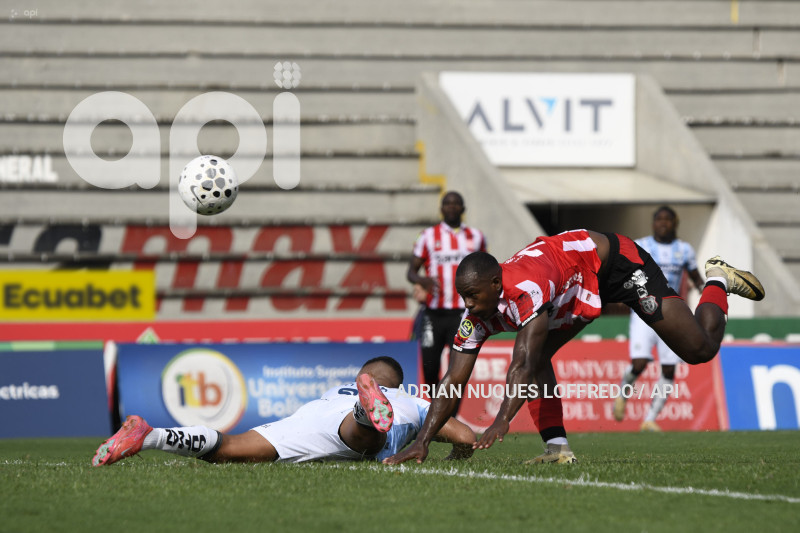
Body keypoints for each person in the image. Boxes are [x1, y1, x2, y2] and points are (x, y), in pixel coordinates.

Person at [384, 229, 764, 466]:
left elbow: (522, 363)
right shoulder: (479, 311)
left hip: (615, 265)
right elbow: (453, 379)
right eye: (462, 296)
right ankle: (558, 449)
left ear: (496, 285)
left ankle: (717, 277)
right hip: (572, 282)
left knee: (699, 350)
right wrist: (422, 442)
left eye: (471, 296)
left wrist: (502, 419)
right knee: (539, 358)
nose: (466, 305)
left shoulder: (526, 291)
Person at [93, 356, 475, 466]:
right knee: (365, 439)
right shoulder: (417, 400)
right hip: (351, 422)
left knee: (227, 448)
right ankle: (365, 415)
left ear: (363, 376)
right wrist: (455, 454)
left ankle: (151, 434)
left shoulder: (333, 388)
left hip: (308, 418)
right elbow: (466, 436)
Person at [614, 206, 705, 431]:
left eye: (668, 220)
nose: (663, 223)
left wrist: (710, 297)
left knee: (669, 368)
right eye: (659, 219)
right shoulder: (641, 245)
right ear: (653, 223)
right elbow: (623, 271)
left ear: (675, 223)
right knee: (639, 363)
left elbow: (696, 277)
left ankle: (650, 418)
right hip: (643, 312)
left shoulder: (684, 250)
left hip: (672, 316)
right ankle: (622, 394)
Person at [407, 191, 487, 399]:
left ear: (463, 209)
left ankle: (452, 419)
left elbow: (487, 269)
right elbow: (411, 272)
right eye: (447, 204)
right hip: (433, 314)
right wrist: (421, 280)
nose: (451, 207)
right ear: (441, 209)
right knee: (430, 368)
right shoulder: (427, 236)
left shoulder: (476, 237)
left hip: (463, 315)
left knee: (458, 371)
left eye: (456, 203)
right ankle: (435, 411)